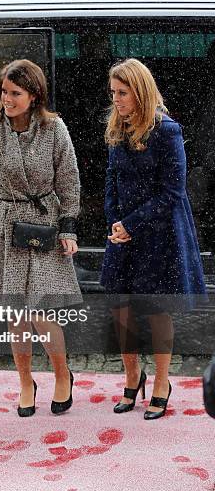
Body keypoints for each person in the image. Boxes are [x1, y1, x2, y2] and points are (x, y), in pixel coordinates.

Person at [0, 59, 81, 417]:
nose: (7, 99)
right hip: (1, 224)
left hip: (42, 223)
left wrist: (68, 226)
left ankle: (63, 375)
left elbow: (68, 179)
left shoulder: (54, 129)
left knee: (44, 312)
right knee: (14, 312)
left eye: (15, 93)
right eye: (3, 91)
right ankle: (24, 382)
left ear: (34, 96)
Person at [101, 58, 207, 420]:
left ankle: (162, 382)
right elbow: (111, 181)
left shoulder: (167, 130)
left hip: (160, 233)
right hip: (123, 235)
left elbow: (173, 191)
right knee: (121, 310)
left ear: (140, 92)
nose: (116, 100)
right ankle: (133, 378)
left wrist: (132, 223)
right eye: (113, 93)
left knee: (158, 311)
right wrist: (115, 221)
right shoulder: (117, 127)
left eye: (123, 93)